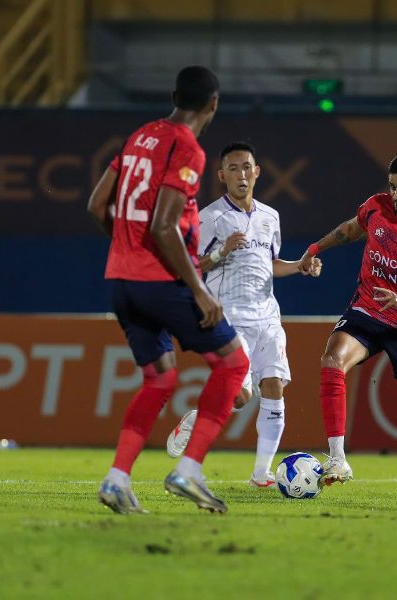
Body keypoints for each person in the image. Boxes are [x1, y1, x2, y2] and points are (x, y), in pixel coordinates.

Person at [87, 66, 250, 515]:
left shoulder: (141, 136)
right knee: (234, 364)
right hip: (159, 281)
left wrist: (125, 248)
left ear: (174, 95)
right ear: (213, 104)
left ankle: (117, 480)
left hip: (120, 280)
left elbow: (97, 204)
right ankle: (189, 470)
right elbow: (163, 225)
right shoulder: (188, 147)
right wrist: (199, 290)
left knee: (160, 378)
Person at [297, 149, 397, 500]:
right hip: (367, 310)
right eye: (392, 187)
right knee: (332, 359)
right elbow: (349, 231)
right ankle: (338, 459)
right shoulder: (376, 206)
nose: (396, 195)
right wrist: (315, 248)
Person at [164, 141, 323, 487]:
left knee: (274, 386)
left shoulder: (270, 217)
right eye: (233, 169)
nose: (241, 174)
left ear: (257, 172)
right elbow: (188, 266)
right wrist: (221, 252)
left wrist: (301, 266)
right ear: (221, 176)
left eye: (247, 167)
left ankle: (260, 474)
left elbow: (271, 264)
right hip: (230, 316)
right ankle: (194, 418)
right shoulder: (210, 217)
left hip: (268, 316)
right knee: (239, 397)